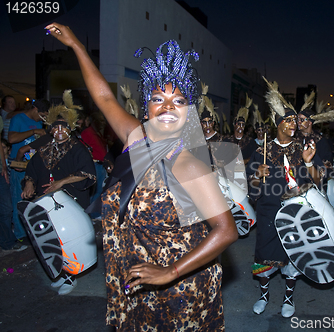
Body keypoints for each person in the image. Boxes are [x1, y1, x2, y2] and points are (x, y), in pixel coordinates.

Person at [46, 22, 237, 331]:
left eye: (179, 101)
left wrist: (171, 272)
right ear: (146, 107)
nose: (168, 107)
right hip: (136, 278)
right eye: (158, 98)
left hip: (179, 290)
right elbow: (105, 98)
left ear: (188, 112)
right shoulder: (137, 140)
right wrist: (78, 47)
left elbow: (226, 230)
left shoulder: (189, 165)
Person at [246, 77, 324, 318]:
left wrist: (310, 163)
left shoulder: (304, 147)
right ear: (277, 124)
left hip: (295, 212)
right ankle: (264, 295)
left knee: (293, 254)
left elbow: (319, 180)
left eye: (295, 120)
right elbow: (252, 187)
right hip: (269, 211)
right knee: (265, 256)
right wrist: (257, 175)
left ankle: (289, 297)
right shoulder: (262, 150)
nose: (294, 124)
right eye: (289, 120)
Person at [21, 91, 96, 295]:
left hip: (70, 201)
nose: (60, 130)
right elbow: (32, 170)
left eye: (64, 127)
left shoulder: (77, 149)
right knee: (51, 241)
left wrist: (62, 183)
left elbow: (87, 173)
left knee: (68, 240)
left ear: (70, 129)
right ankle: (62, 273)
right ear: (51, 130)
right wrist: (29, 182)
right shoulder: (45, 149)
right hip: (47, 203)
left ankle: (70, 277)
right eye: (56, 127)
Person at [8, 99, 49, 241]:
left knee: (32, 201)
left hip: (31, 166)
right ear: (35, 109)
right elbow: (11, 138)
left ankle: (31, 232)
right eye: (42, 115)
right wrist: (33, 131)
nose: (43, 119)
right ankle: (20, 235)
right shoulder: (18, 119)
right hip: (18, 166)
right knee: (19, 200)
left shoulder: (38, 123)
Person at [0, 137, 28, 254]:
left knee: (7, 210)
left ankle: (8, 242)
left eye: (4, 147)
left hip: (3, 175)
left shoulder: (10, 161)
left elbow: (20, 165)